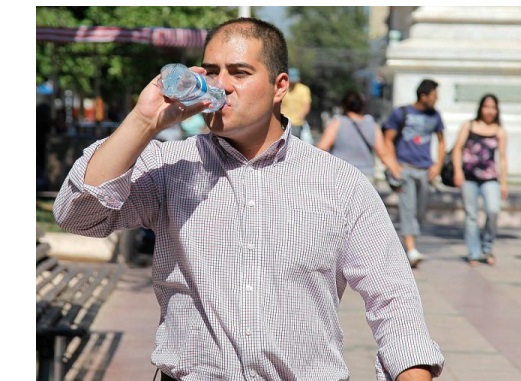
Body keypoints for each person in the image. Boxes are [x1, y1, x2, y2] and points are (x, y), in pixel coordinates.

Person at [52, 17, 444, 380]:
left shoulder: (340, 184)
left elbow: (394, 299)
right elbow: (78, 216)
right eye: (212, 71)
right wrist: (143, 119)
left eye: (240, 72)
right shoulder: (169, 166)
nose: (222, 85)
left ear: (280, 87)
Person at [382, 79, 446, 268]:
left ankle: (408, 247)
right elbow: (388, 138)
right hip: (406, 169)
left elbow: (441, 140)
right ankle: (411, 250)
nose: (437, 99)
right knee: (408, 209)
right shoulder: (401, 113)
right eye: (434, 96)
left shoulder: (435, 116)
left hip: (425, 171)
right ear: (423, 96)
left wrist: (438, 165)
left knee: (419, 211)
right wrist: (394, 166)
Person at [451, 94, 508, 267]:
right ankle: (474, 252)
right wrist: (457, 171)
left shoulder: (499, 130)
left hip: (490, 178)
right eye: (486, 107)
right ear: (480, 108)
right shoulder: (469, 126)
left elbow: (503, 158)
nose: (489, 111)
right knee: (471, 215)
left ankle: (487, 247)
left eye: (493, 107)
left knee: (493, 210)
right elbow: (457, 149)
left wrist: (504, 182)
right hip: (469, 178)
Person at [316, 90, 387, 182]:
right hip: (365, 175)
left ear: (344, 105)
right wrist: (396, 173)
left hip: (341, 173)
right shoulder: (373, 125)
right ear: (363, 106)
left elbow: (322, 147)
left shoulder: (337, 123)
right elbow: (382, 152)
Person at [281, 67, 312, 141]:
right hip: (283, 122)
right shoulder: (284, 89)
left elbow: (306, 106)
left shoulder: (304, 89)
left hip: (296, 123)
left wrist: (301, 116)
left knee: (293, 143)